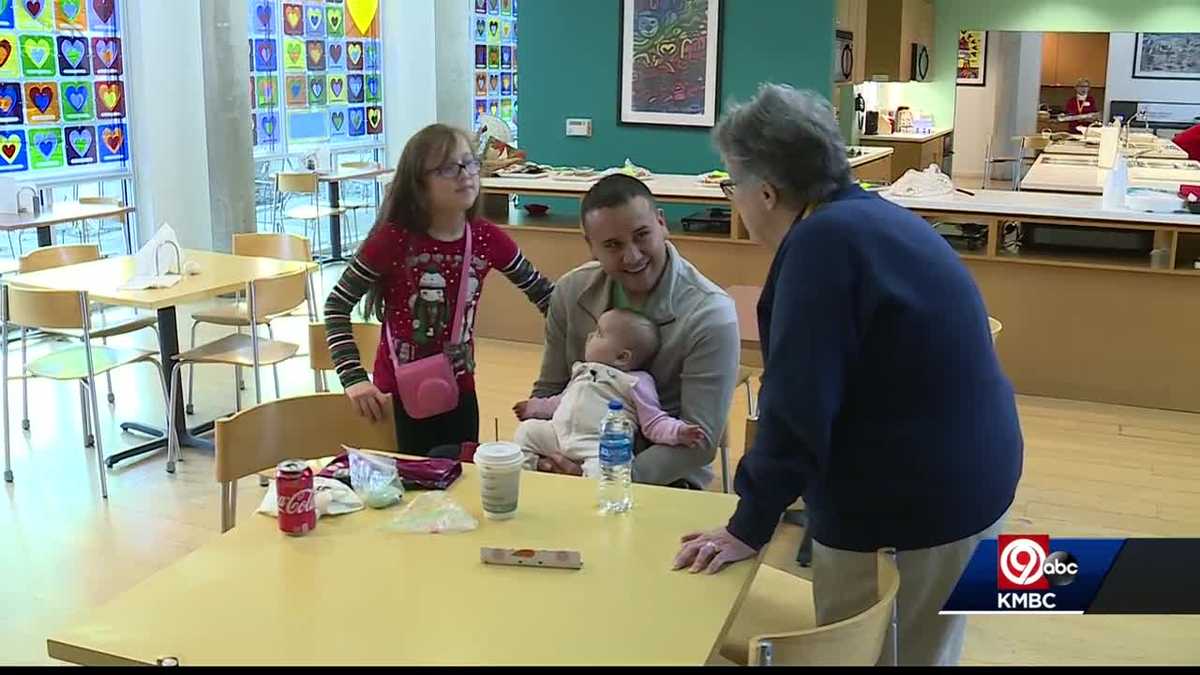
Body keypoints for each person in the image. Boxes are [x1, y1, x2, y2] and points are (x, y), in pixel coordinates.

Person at [670, 84, 1023, 666]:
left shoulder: (821, 245)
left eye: (731, 186)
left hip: (925, 498)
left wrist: (748, 526)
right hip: (971, 475)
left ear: (766, 190)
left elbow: (795, 409)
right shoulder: (866, 217)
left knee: (867, 652)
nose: (735, 200)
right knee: (925, 650)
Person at [324, 123, 555, 454]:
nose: (466, 174)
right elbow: (336, 306)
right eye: (449, 168)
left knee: (458, 481)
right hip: (396, 393)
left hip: (459, 390)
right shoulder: (393, 239)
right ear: (418, 183)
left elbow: (546, 296)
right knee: (407, 487)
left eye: (470, 162)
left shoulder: (486, 238)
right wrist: (353, 378)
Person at [529, 174, 739, 489]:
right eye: (613, 245)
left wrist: (610, 477)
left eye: (642, 235)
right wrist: (553, 460)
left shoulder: (710, 314)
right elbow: (548, 390)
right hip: (569, 457)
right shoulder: (570, 292)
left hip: (662, 479)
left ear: (662, 224)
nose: (632, 256)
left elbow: (701, 441)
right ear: (591, 247)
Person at [513, 308, 707, 477]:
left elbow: (654, 421)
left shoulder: (635, 382)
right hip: (557, 434)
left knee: (607, 471)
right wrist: (534, 407)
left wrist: (678, 432)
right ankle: (524, 477)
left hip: (598, 446)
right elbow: (561, 402)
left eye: (599, 333)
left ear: (622, 357)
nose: (590, 335)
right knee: (527, 431)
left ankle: (587, 503)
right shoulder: (583, 371)